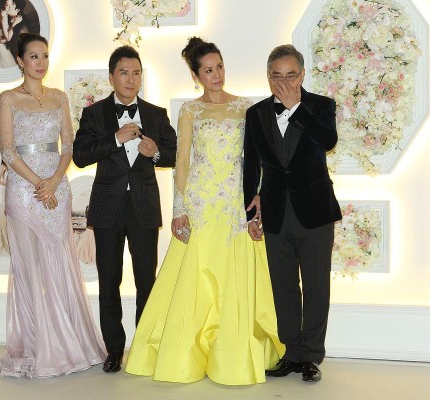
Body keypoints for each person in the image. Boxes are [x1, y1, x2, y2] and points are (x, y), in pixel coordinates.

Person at [125, 37, 283, 385]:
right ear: (196, 76)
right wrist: (179, 209)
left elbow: (258, 159)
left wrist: (258, 198)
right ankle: (186, 355)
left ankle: (232, 354)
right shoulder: (190, 111)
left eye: (220, 67)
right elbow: (182, 161)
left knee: (233, 275)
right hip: (200, 202)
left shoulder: (246, 107)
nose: (217, 75)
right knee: (195, 276)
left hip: (234, 203)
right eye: (208, 70)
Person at [0, 33, 106, 378]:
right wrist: (38, 183)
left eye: (44, 56)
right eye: (34, 56)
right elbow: (8, 150)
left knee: (60, 262)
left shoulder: (58, 97)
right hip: (24, 191)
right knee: (28, 268)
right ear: (20, 61)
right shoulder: (8, 98)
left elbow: (68, 146)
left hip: (56, 188)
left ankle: (69, 342)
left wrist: (54, 181)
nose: (40, 62)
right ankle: (36, 346)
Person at [72, 45, 177, 374]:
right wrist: (115, 139)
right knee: (109, 282)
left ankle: (144, 349)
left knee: (147, 281)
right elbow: (80, 156)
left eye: (136, 73)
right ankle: (114, 350)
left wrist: (155, 152)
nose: (131, 80)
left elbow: (174, 154)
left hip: (144, 207)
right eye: (124, 73)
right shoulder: (94, 114)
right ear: (111, 77)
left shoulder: (156, 114)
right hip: (107, 207)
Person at [243, 44, 341, 383]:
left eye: (290, 76)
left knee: (316, 285)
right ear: (267, 77)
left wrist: (295, 108)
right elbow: (251, 166)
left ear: (302, 75)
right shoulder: (255, 113)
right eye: (276, 76)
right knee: (282, 286)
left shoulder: (321, 106)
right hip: (274, 212)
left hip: (315, 211)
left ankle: (311, 356)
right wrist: (250, 214)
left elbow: (328, 140)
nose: (283, 83)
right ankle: (292, 353)